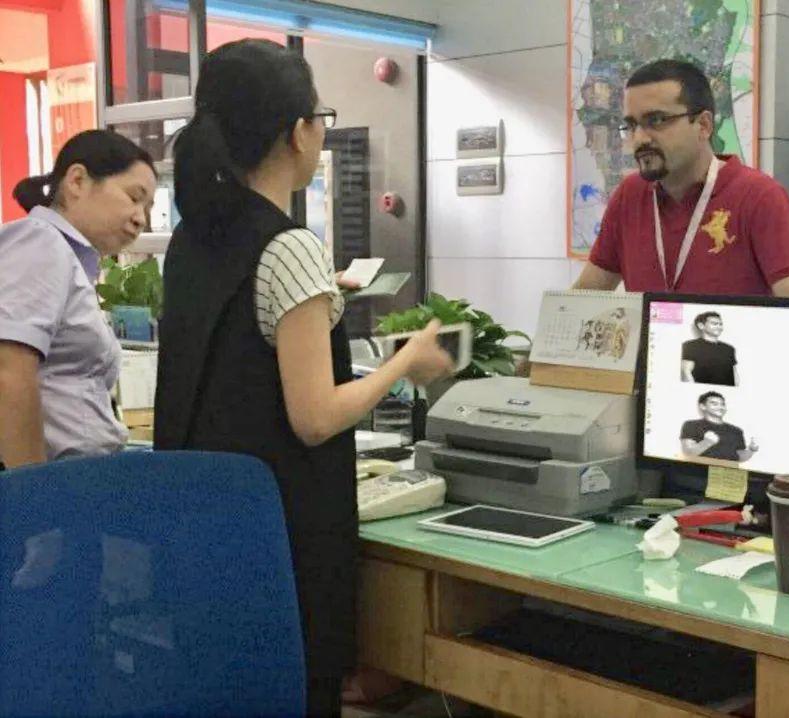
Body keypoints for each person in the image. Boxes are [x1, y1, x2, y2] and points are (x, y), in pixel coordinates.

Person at [152, 40, 453, 717]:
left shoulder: (192, 239)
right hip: (278, 538)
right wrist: (406, 361)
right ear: (298, 131)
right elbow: (314, 418)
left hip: (202, 529)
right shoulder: (289, 246)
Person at [572, 59, 789, 298]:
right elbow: (583, 299)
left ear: (703, 125)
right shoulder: (630, 196)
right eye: (631, 125)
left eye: (657, 120)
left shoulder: (760, 197)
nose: (639, 139)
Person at [0, 130, 156, 469]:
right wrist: (34, 490)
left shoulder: (70, 261)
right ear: (77, 181)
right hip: (54, 480)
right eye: (134, 197)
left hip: (81, 474)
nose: (141, 218)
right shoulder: (41, 242)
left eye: (148, 208)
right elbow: (10, 368)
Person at [680, 391, 758, 462]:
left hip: (727, 471)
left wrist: (751, 450)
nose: (720, 407)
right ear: (702, 406)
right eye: (714, 404)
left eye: (722, 404)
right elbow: (688, 454)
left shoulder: (736, 430)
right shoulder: (691, 425)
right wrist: (707, 442)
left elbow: (740, 458)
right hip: (699, 471)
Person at [681, 310, 737, 385]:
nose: (719, 327)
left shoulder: (729, 349)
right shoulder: (690, 346)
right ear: (701, 326)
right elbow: (686, 372)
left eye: (720, 324)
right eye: (714, 324)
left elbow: (735, 375)